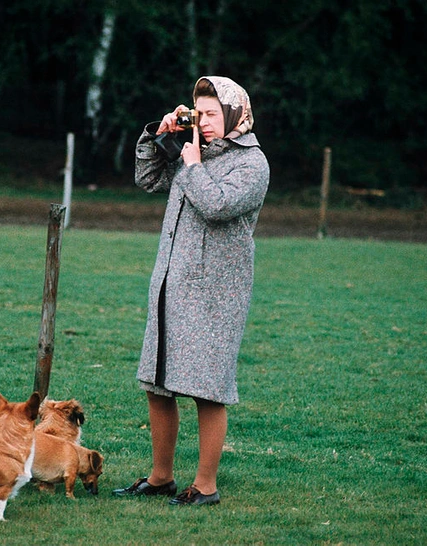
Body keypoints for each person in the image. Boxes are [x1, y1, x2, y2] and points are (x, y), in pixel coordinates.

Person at [113, 76, 269, 506]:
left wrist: (194, 162)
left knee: (206, 388)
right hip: (170, 282)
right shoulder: (189, 150)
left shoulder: (251, 164)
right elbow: (147, 179)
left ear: (237, 113)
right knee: (158, 383)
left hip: (216, 293)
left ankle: (205, 486)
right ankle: (160, 477)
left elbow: (217, 206)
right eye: (200, 114)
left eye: (213, 114)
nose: (205, 122)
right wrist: (157, 136)